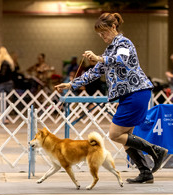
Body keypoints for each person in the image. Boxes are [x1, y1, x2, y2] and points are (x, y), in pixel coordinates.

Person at [55, 12, 168, 184]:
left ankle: (156, 151)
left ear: (113, 27)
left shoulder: (123, 43)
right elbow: (94, 72)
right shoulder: (110, 49)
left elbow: (121, 60)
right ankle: (146, 172)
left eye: (104, 32)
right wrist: (71, 84)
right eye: (99, 34)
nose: (102, 36)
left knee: (115, 134)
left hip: (136, 92)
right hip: (129, 95)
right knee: (125, 137)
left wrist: (99, 58)